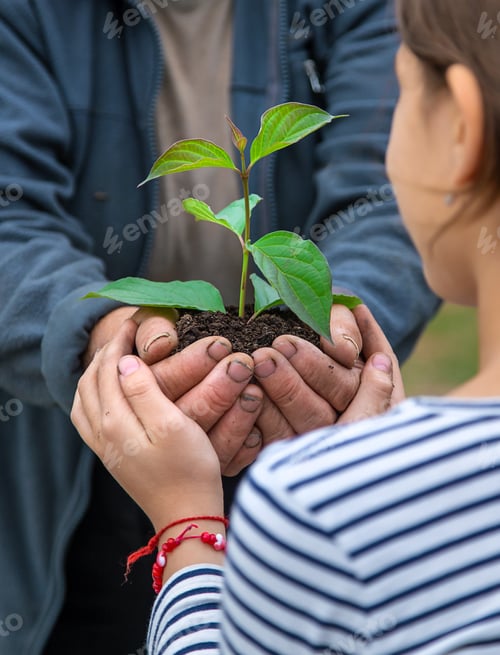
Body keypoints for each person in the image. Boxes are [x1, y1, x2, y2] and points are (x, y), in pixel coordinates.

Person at [0, 1, 439, 653]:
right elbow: (13, 216)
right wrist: (102, 334)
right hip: (74, 444)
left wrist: (340, 320)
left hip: (304, 428)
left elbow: (391, 193)